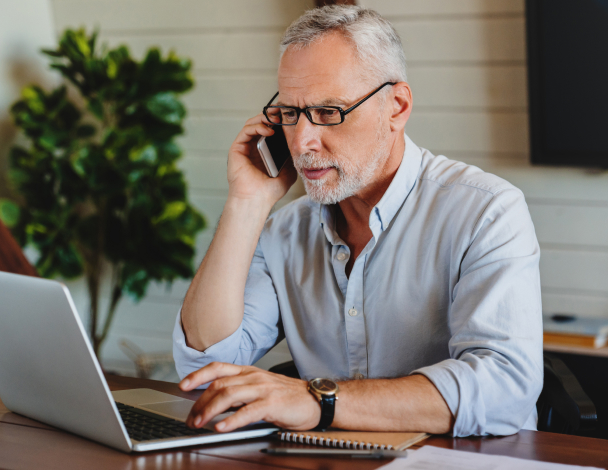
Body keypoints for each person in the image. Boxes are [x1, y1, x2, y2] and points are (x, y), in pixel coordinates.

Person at [172, 5, 543, 437]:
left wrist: (318, 402)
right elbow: (203, 364)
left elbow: (504, 388)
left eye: (330, 112)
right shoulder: (283, 232)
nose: (303, 141)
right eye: (290, 113)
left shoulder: (486, 211)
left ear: (397, 107)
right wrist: (246, 202)